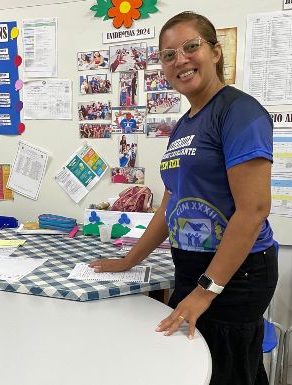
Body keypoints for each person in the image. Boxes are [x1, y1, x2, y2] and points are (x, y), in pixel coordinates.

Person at [90, 11, 276, 385]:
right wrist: (129, 259)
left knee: (224, 370)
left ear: (216, 52)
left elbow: (253, 210)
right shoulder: (186, 122)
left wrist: (206, 291)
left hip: (236, 274)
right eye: (168, 54)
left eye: (191, 47)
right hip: (194, 267)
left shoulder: (238, 111)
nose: (180, 60)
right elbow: (171, 201)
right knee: (195, 365)